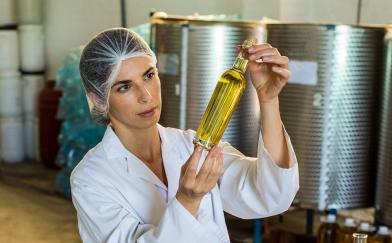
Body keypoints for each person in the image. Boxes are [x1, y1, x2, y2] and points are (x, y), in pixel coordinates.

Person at [71, 27, 299, 243]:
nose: (146, 95)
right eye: (125, 87)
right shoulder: (90, 178)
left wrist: (268, 100)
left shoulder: (192, 145)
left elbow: (270, 195)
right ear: (100, 99)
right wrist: (187, 200)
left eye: (149, 75)